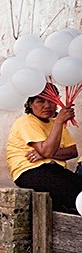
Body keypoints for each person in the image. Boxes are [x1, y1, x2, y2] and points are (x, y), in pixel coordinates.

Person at [6, 84, 82, 214]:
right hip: (29, 171)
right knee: (73, 194)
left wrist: (47, 154)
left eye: (52, 101)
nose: (47, 106)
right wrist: (59, 122)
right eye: (40, 101)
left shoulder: (55, 123)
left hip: (54, 169)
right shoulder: (26, 122)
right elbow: (47, 150)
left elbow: (72, 152)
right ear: (30, 103)